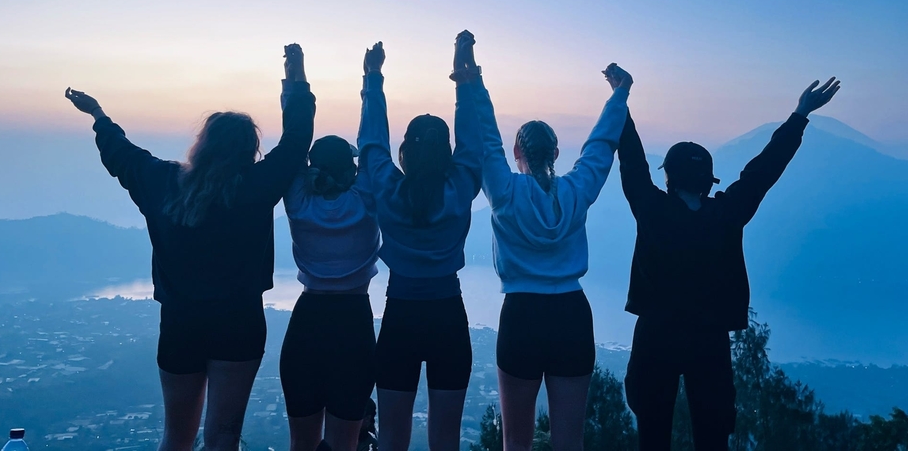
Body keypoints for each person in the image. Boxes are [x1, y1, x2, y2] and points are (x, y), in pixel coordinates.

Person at [64, 44, 315, 451]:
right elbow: (296, 140)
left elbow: (122, 156)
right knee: (223, 437)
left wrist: (98, 115)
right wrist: (295, 76)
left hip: (179, 325)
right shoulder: (254, 187)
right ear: (249, 151)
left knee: (176, 438)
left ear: (202, 143)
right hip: (239, 323)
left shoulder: (162, 183)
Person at [616, 75, 841, 451]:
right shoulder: (726, 214)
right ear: (709, 178)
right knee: (713, 435)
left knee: (652, 436)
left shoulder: (652, 210)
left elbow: (632, 160)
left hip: (655, 336)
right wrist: (800, 114)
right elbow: (763, 171)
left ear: (668, 176)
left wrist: (620, 98)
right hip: (710, 340)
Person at [465, 36, 631, 451]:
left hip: (521, 316)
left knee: (515, 443)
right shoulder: (576, 190)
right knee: (569, 443)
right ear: (556, 152)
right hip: (572, 316)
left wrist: (473, 80)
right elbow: (600, 147)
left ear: (516, 151)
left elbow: (486, 139)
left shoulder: (504, 192)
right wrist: (620, 94)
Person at [358, 35, 483, 451]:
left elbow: (372, 145)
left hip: (400, 318)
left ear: (406, 152)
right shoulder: (461, 186)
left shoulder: (388, 190)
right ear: (446, 152)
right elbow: (473, 143)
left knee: (392, 438)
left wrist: (373, 77)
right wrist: (464, 76)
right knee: (446, 440)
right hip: (449, 317)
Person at [280, 105, 381, 451]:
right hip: (354, 324)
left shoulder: (298, 203)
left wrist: (294, 86)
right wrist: (372, 86)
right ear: (350, 170)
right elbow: (372, 146)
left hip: (306, 322)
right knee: (344, 445)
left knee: (302, 444)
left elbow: (294, 142)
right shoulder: (365, 200)